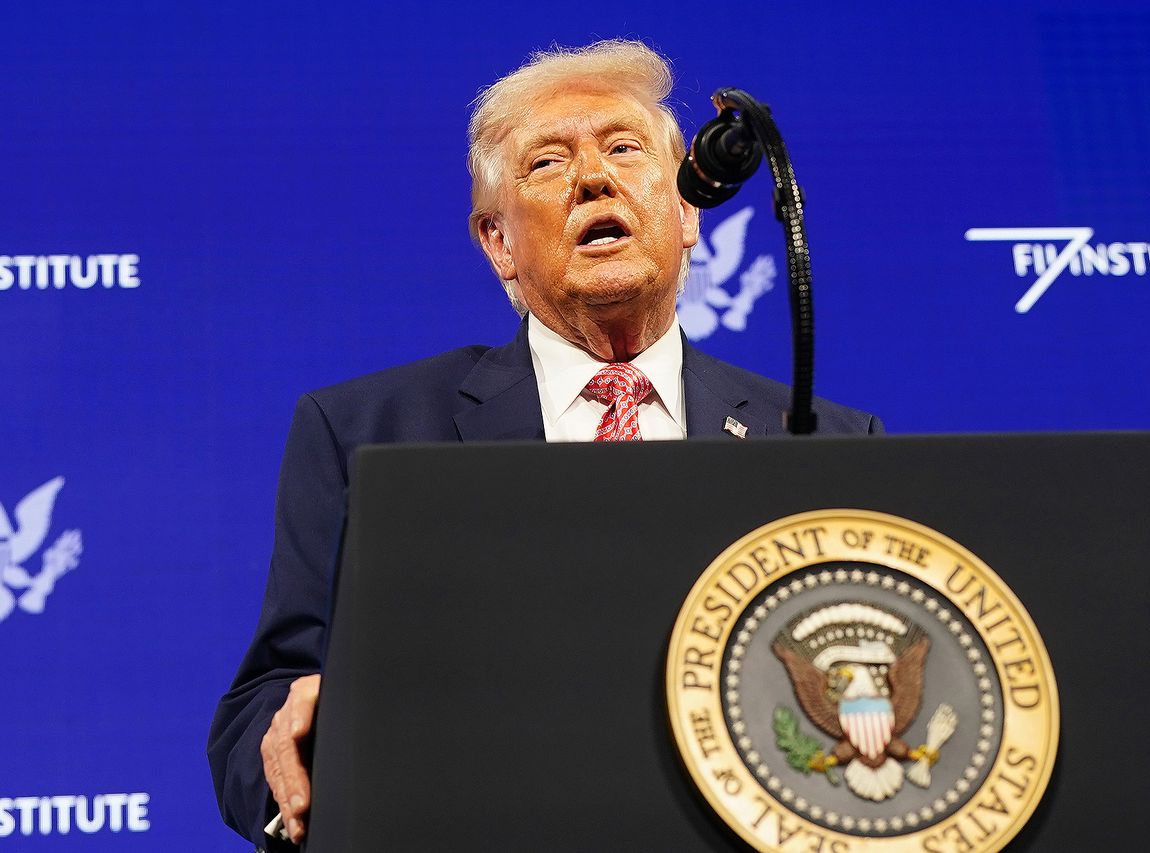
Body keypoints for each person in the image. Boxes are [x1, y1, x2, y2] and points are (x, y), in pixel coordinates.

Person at [207, 39, 883, 850]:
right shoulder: (367, 430)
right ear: (498, 241)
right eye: (548, 163)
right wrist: (305, 760)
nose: (594, 177)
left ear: (688, 211)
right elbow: (264, 708)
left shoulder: (823, 443)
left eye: (625, 149)